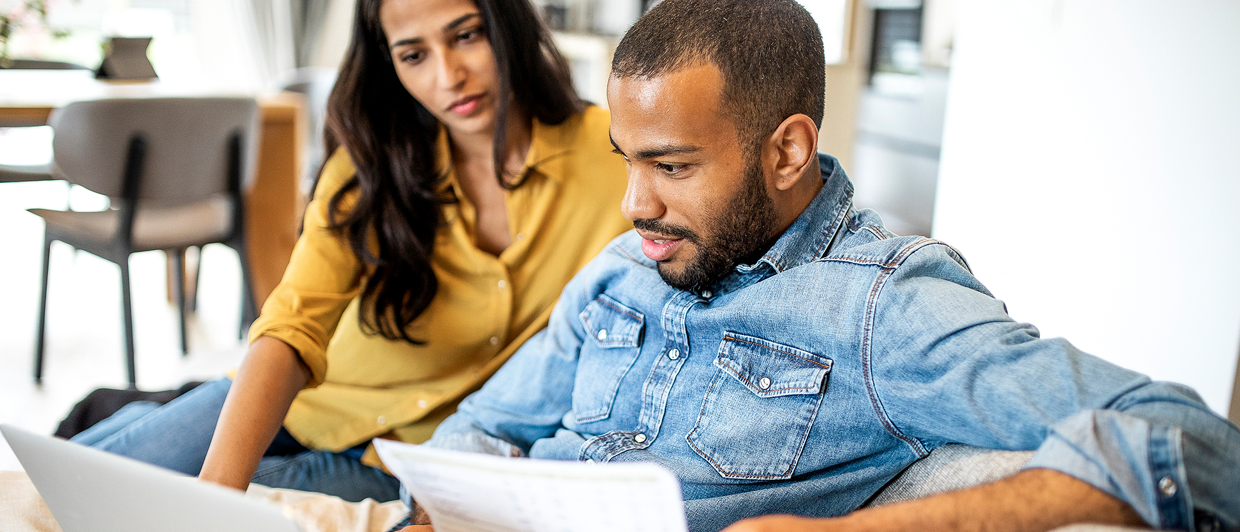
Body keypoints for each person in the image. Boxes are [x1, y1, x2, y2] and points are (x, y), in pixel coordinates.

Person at [396, 0, 1240, 530]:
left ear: (788, 151)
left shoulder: (882, 306)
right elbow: (482, 426)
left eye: (673, 166)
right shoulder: (624, 271)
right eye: (627, 160)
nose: (633, 205)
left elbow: (1196, 446)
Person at [67, 0, 630, 503]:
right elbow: (291, 324)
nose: (449, 76)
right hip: (296, 401)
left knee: (150, 510)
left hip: (408, 458)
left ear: (507, 25)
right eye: (413, 56)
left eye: (466, 35)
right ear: (391, 66)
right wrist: (218, 495)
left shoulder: (616, 156)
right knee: (78, 486)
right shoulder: (371, 167)